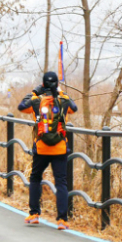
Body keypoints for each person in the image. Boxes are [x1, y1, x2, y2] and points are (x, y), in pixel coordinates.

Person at [18, 71, 77, 231]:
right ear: (57, 84)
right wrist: (61, 92)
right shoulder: (63, 100)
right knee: (61, 182)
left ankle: (34, 214)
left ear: (43, 84)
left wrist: (34, 92)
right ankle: (62, 220)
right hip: (60, 148)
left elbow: (22, 106)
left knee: (36, 177)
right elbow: (74, 108)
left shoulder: (37, 101)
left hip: (42, 147)